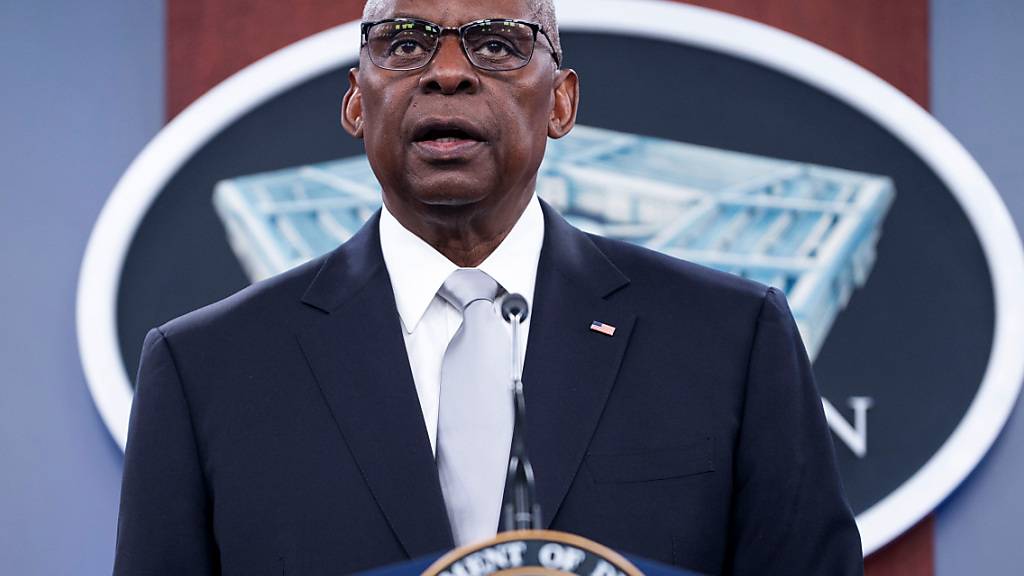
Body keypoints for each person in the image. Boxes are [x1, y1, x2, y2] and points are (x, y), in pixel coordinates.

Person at [113, 0, 863, 574]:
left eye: (497, 43)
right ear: (355, 102)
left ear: (562, 102)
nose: (446, 70)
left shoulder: (729, 338)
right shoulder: (206, 369)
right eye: (404, 43)